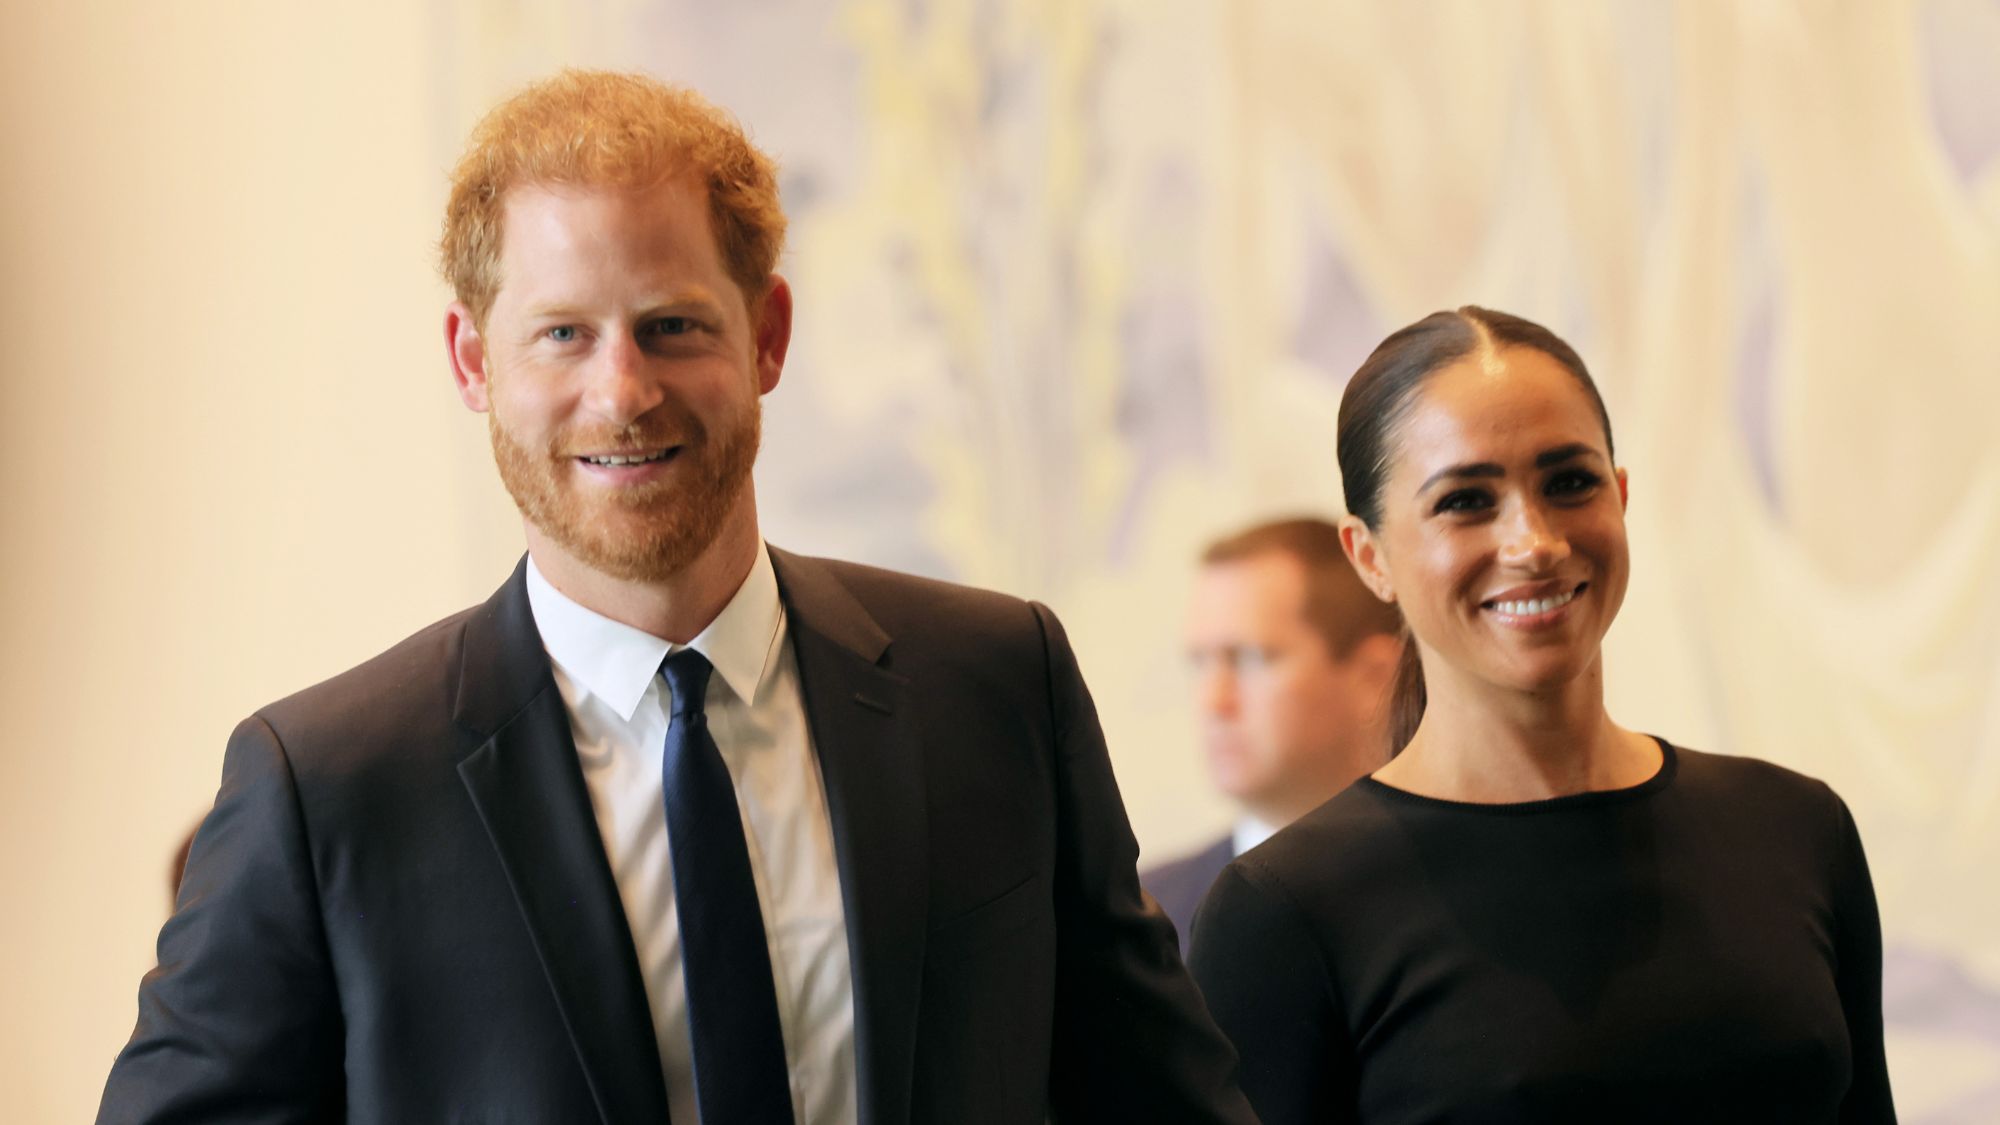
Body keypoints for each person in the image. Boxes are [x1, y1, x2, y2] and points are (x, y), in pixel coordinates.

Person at [98, 70, 1256, 1125]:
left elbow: (1159, 1100)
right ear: (472, 364)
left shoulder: (996, 684)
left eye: (671, 327)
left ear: (767, 337)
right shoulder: (327, 789)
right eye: (561, 335)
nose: (623, 392)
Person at [1189, 307, 1895, 1123]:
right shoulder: (1284, 910)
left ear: (1620, 496)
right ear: (1370, 557)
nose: (1534, 540)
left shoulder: (1796, 829)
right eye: (1466, 500)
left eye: (1568, 482)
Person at [1144, 518, 1400, 953]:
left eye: (1249, 658)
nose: (1214, 701)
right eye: (1200, 663)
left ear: (1374, 677)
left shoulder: (1458, 887)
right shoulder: (1143, 920)